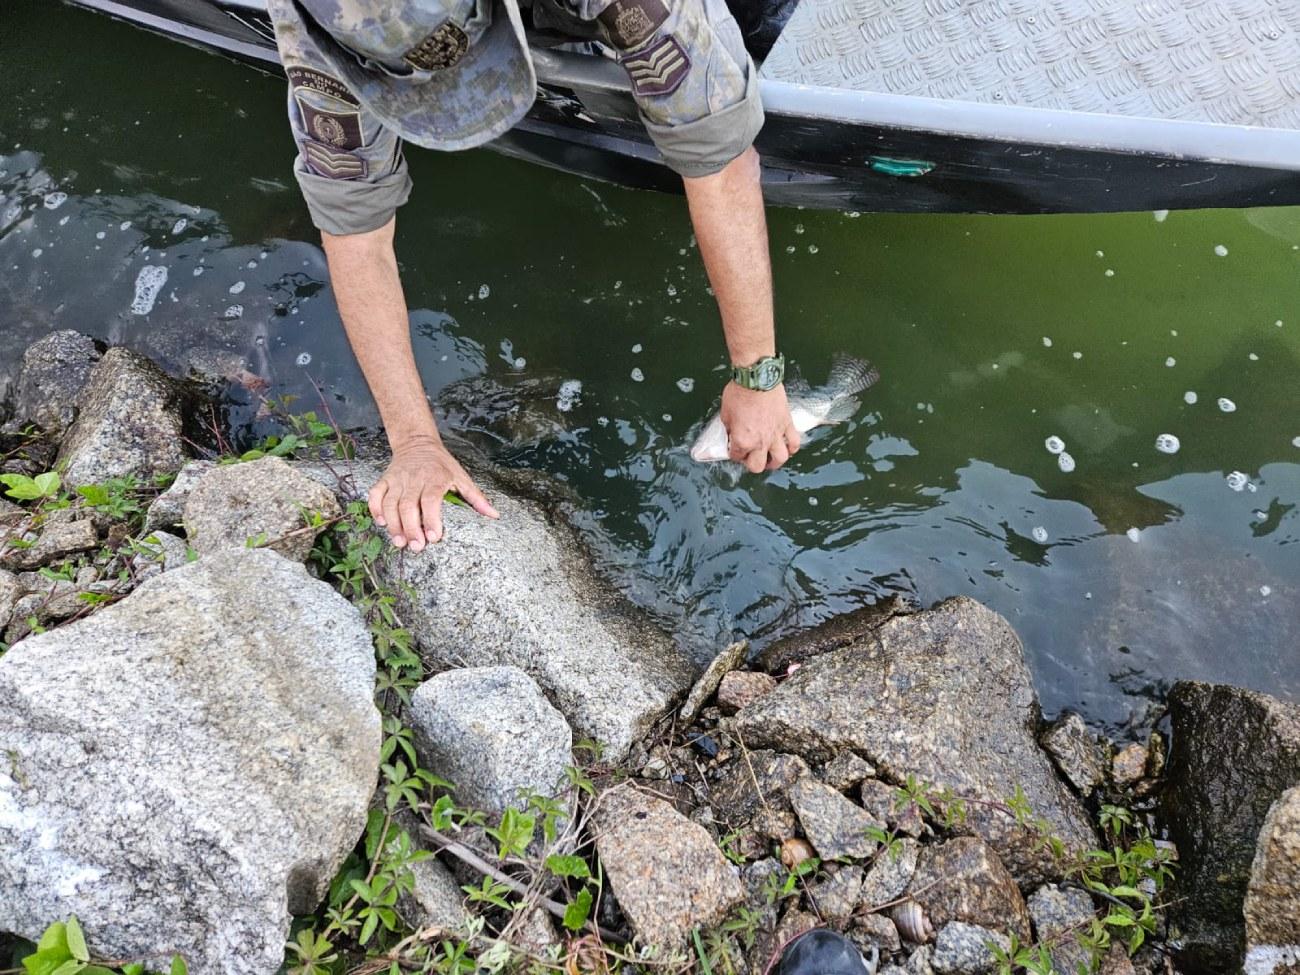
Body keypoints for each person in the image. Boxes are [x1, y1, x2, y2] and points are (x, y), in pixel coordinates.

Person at [267, 0, 798, 551]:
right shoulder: (317, 33)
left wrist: (756, 374)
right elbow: (355, 232)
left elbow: (719, 159)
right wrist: (415, 442)